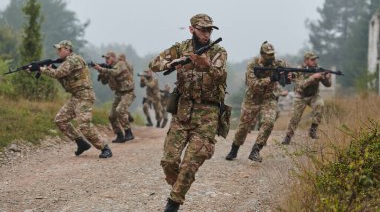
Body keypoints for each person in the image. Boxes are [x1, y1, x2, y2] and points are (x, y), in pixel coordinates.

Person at [149, 14, 227, 212]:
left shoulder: (218, 51)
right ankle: (181, 184)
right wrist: (172, 63)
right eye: (203, 29)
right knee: (169, 161)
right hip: (183, 111)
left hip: (207, 114)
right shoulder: (181, 48)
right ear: (191, 29)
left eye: (210, 30)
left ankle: (174, 202)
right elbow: (154, 63)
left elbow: (220, 76)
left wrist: (206, 64)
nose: (207, 33)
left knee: (190, 163)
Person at [38, 40, 112, 158]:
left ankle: (105, 148)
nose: (58, 52)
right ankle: (81, 143)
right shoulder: (68, 61)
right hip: (76, 96)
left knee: (84, 124)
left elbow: (58, 73)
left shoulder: (73, 59)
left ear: (67, 50)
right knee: (60, 119)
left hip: (85, 96)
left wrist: (41, 69)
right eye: (57, 49)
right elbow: (62, 76)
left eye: (60, 49)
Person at [225, 41, 289, 163]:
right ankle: (234, 148)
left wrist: (287, 76)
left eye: (272, 54)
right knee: (244, 126)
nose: (271, 57)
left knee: (269, 122)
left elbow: (291, 75)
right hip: (252, 99)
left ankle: (256, 150)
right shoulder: (252, 65)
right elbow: (253, 84)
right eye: (268, 54)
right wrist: (270, 78)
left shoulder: (278, 63)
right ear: (262, 54)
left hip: (268, 98)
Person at [282, 51, 331, 145]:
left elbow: (327, 85)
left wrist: (327, 78)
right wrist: (313, 77)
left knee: (320, 104)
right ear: (306, 60)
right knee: (295, 117)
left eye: (315, 59)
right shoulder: (299, 70)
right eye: (312, 59)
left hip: (313, 96)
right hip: (300, 96)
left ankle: (313, 130)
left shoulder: (318, 69)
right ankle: (288, 137)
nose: (314, 61)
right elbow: (301, 85)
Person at [94, 51, 135, 143]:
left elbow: (115, 72)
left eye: (108, 58)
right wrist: (101, 73)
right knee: (112, 116)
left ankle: (129, 132)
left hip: (128, 92)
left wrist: (101, 69)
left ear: (113, 57)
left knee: (120, 110)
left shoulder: (120, 64)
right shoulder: (109, 68)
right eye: (105, 59)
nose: (106, 60)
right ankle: (119, 135)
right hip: (118, 93)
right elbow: (104, 82)